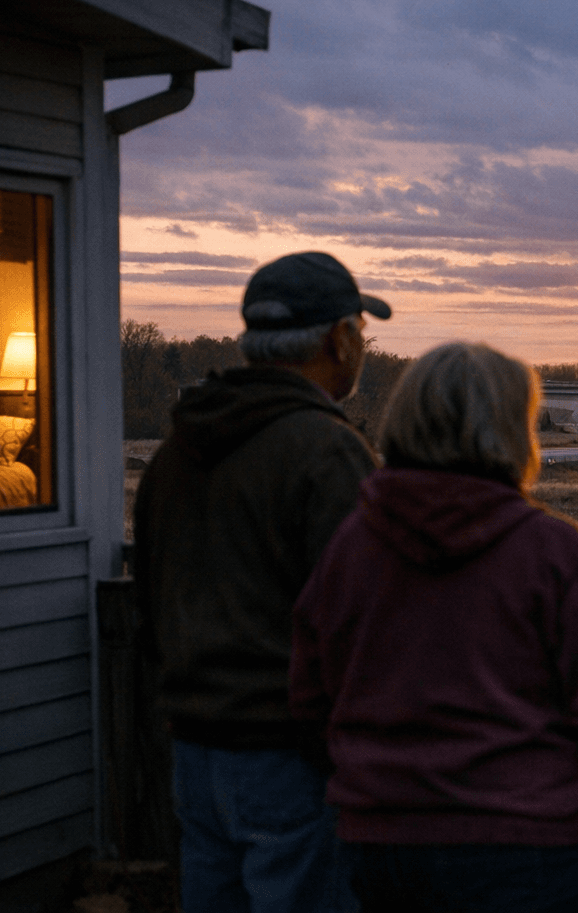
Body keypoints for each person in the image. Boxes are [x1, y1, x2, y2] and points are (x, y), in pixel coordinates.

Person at [291, 342, 578, 913]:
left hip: (382, 844)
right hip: (527, 846)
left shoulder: (352, 546)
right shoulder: (550, 551)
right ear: (514, 429)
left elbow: (311, 697)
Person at [133, 251, 391, 913]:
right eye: (362, 330)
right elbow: (364, 623)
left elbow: (152, 605)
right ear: (340, 339)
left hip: (195, 751)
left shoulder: (175, 454)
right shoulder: (327, 452)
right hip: (291, 762)